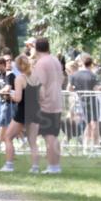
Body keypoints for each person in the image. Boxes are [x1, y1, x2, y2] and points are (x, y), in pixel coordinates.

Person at [0, 54, 40, 173]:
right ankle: (35, 168)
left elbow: (18, 98)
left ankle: (9, 165)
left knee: (8, 137)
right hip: (35, 110)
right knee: (32, 141)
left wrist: (11, 94)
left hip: (22, 111)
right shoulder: (36, 77)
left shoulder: (20, 78)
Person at [30, 37, 64, 174]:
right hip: (57, 100)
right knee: (54, 135)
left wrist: (38, 101)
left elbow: (40, 85)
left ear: (36, 48)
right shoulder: (55, 60)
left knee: (48, 135)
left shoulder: (41, 63)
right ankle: (56, 166)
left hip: (47, 103)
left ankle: (52, 166)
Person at [68, 54, 101, 154]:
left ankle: (86, 146)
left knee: (87, 124)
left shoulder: (74, 75)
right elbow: (96, 89)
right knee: (94, 124)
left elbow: (69, 88)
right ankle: (95, 147)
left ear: (81, 63)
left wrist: (77, 92)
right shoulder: (93, 75)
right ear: (90, 64)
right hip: (93, 101)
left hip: (81, 101)